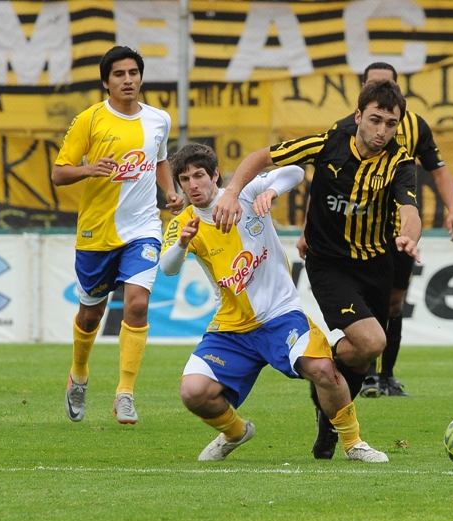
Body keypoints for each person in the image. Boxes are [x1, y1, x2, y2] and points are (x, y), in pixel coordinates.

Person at [212, 79, 422, 460]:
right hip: (329, 264)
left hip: (377, 264)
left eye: (391, 124)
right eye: (375, 120)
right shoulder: (329, 142)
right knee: (372, 343)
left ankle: (327, 420)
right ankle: (333, 404)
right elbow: (263, 157)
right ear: (358, 116)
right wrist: (230, 191)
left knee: (360, 355)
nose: (381, 131)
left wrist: (409, 236)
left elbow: (410, 211)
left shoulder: (400, 161)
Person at [160, 143, 388, 463]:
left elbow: (295, 171)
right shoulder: (183, 223)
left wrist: (272, 191)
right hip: (232, 328)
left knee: (324, 370)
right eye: (185, 179)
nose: (193, 185)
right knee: (193, 393)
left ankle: (354, 444)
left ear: (215, 175)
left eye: (199, 175)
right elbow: (167, 268)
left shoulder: (246, 192)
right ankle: (235, 432)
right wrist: (183, 243)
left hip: (281, 316)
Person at [301, 62, 453, 398]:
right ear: (362, 95)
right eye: (374, 85)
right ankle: (361, 373)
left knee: (393, 304)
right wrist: (307, 229)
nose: (383, 127)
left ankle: (385, 375)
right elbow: (324, 186)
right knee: (368, 321)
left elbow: (436, 171)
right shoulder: (344, 128)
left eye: (387, 85)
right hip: (351, 237)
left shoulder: (414, 127)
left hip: (398, 236)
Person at [52, 46, 184, 425]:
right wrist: (89, 169)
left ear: (141, 77)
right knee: (90, 315)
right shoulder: (90, 120)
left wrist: (170, 191)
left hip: (143, 228)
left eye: (133, 73)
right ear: (106, 82)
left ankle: (125, 393)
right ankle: (78, 375)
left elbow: (159, 159)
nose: (128, 80)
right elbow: (59, 173)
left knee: (138, 305)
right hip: (97, 231)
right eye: (119, 74)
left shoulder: (159, 119)